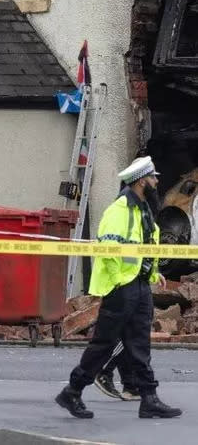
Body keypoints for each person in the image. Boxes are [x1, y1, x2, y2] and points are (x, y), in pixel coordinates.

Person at [55, 156, 182, 419]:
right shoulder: (120, 209)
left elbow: (147, 244)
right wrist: (120, 280)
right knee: (104, 343)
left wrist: (152, 272)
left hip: (140, 284)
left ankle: (149, 398)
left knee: (139, 344)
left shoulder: (143, 209)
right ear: (141, 181)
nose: (157, 182)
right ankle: (73, 390)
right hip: (122, 288)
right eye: (153, 178)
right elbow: (108, 251)